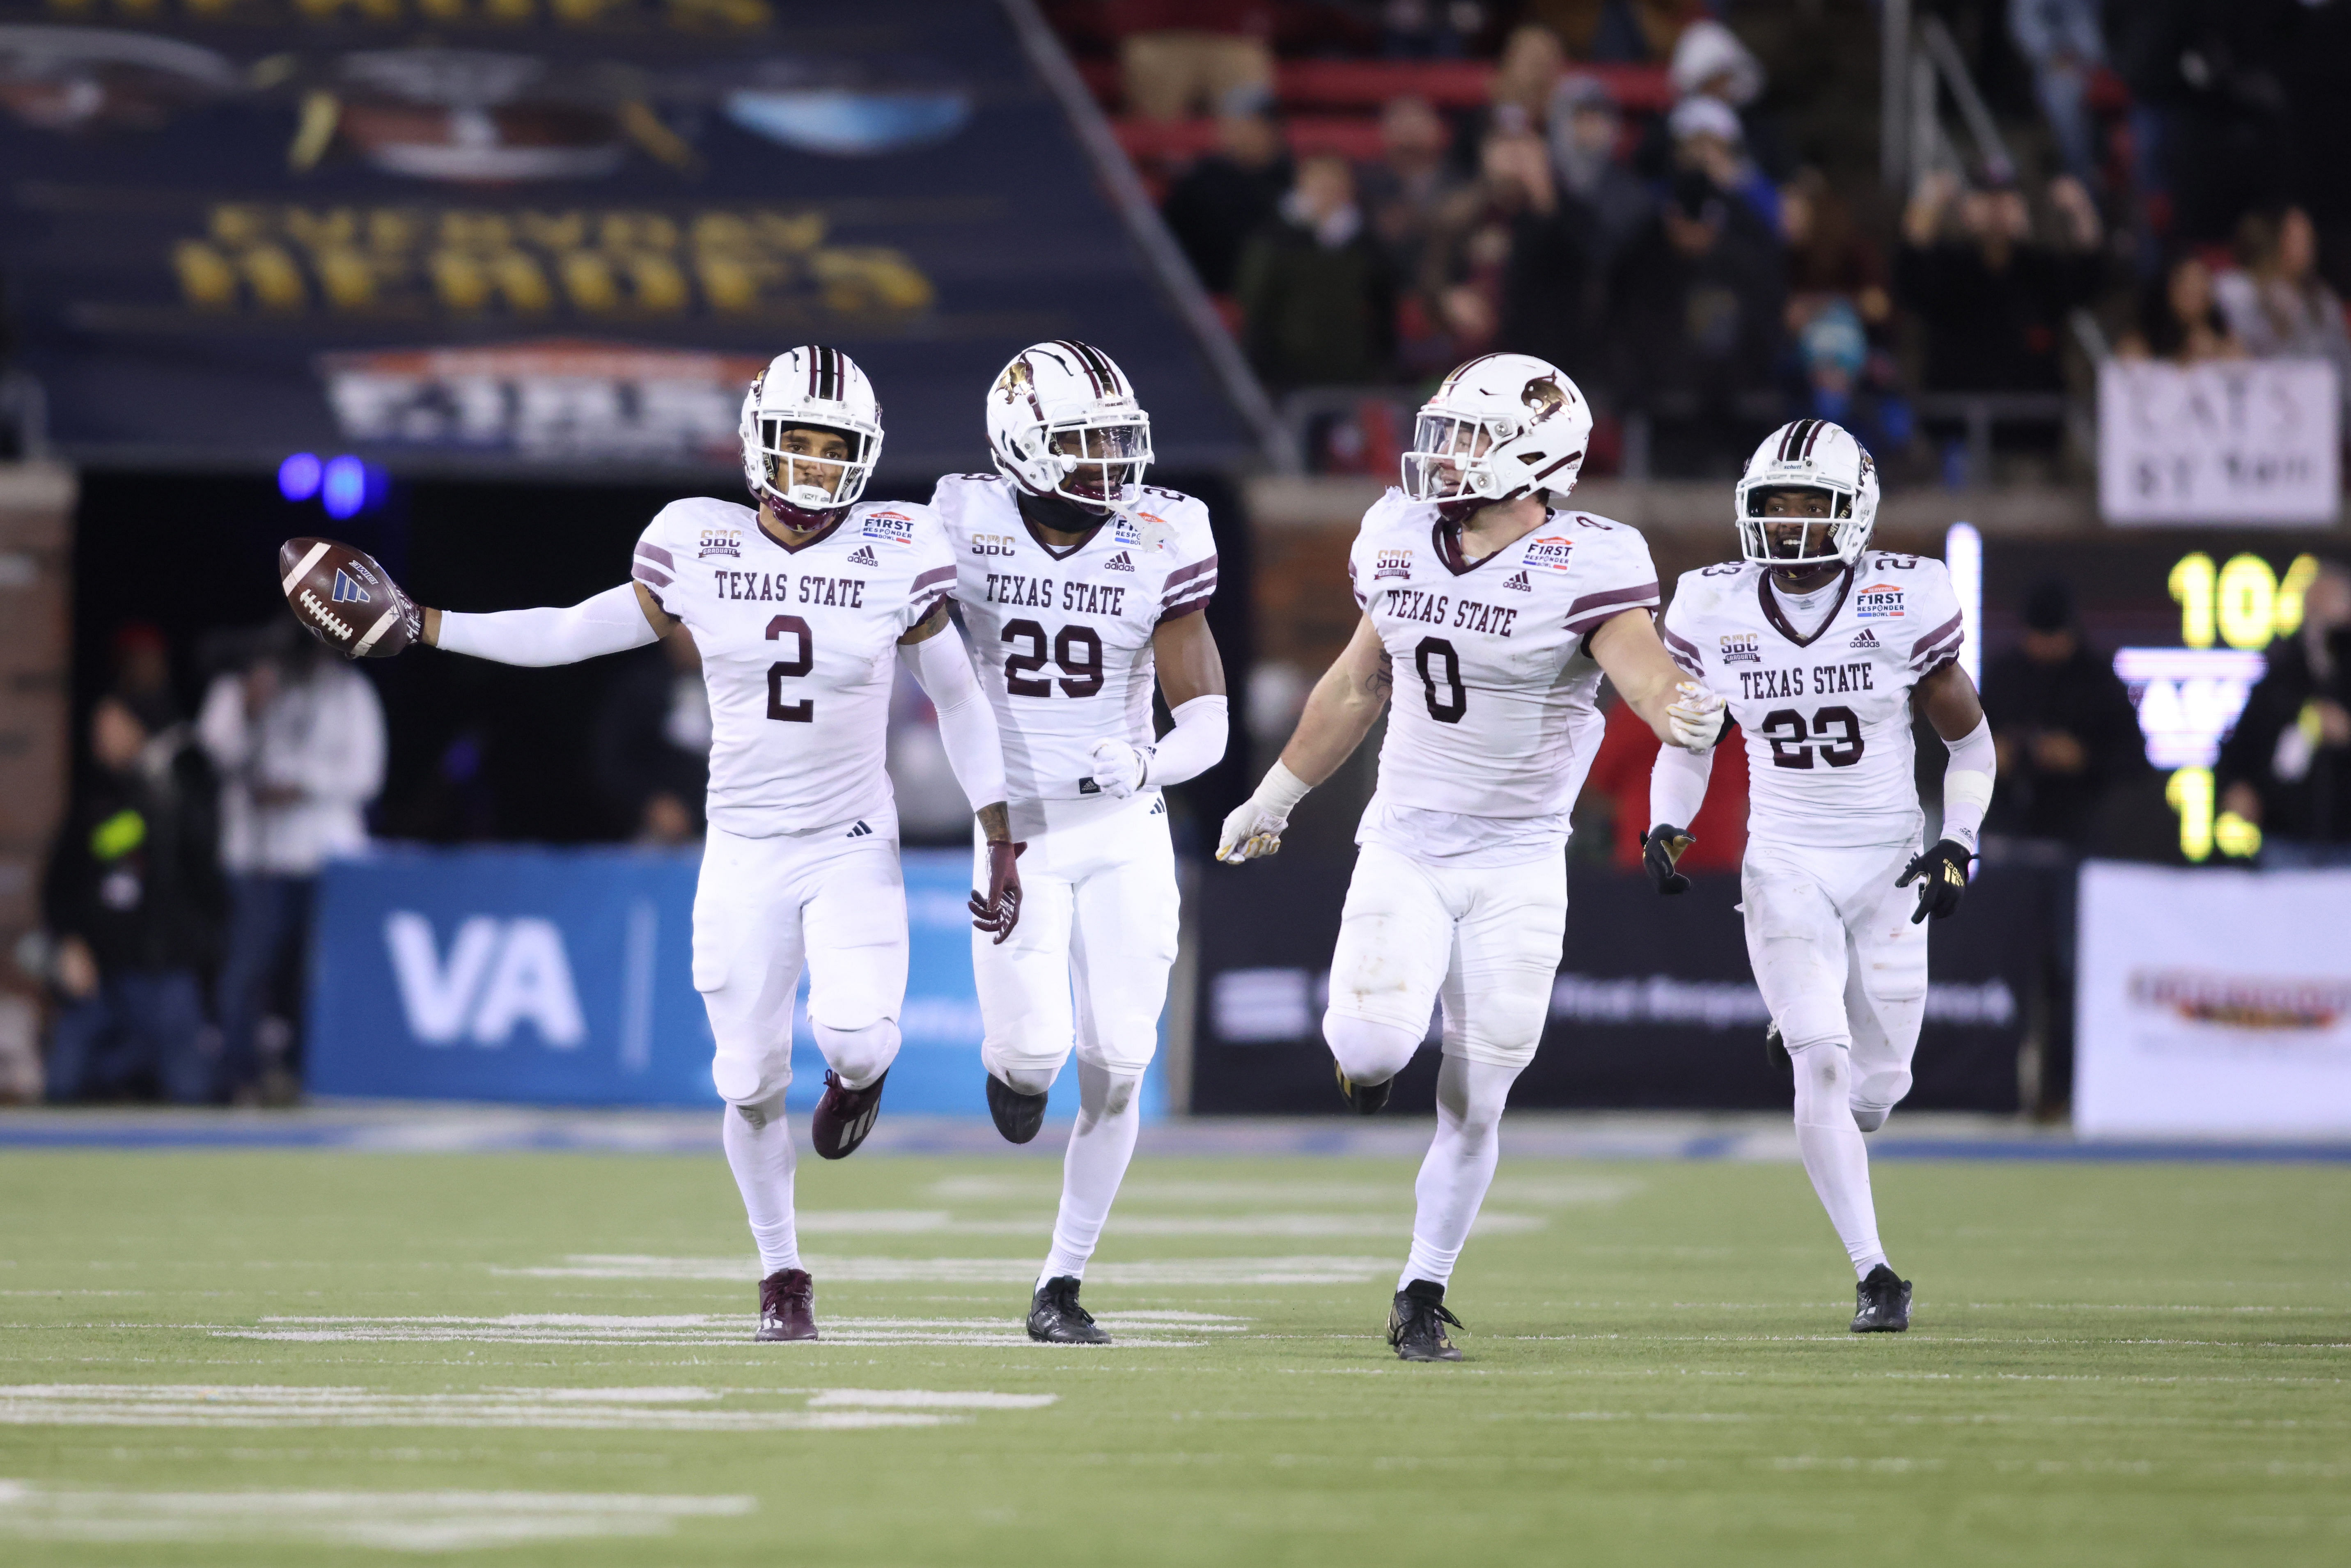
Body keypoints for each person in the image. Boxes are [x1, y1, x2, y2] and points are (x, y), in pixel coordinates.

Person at [344, 346, 1021, 1343]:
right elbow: (574, 630)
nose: (818, 469)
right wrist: (429, 624)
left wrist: (998, 828)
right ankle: (782, 1269)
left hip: (850, 837)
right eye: (802, 444)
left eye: (839, 449)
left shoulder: (898, 545)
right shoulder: (696, 542)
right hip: (744, 844)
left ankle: (859, 1082)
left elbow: (958, 696)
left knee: (860, 1038)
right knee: (746, 1080)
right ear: (758, 445)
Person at [1215, 353, 1728, 1361]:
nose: (1443, 456)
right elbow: (1357, 684)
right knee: (1369, 1049)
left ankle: (1421, 1287)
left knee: (1478, 1090)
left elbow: (1645, 676)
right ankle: (1368, 1054)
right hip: (1405, 838)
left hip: (1518, 859)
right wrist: (1275, 795)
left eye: (1470, 438)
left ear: (1539, 455)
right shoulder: (1399, 537)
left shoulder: (1591, 560)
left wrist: (1688, 715)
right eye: (1443, 431)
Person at [1644, 419, 1995, 1335]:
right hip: (1784, 860)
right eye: (1774, 506)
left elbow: (1968, 740)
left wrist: (1958, 841)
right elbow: (1689, 738)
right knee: (1824, 1063)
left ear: (1855, 512)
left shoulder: (1902, 597)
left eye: (1811, 506)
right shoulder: (1711, 606)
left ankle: (1811, 1042)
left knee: (1878, 1092)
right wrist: (1666, 820)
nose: (1791, 525)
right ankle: (1873, 1272)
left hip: (1886, 863)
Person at [934, 340, 1230, 1344]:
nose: (1108, 461)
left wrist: (1148, 763)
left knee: (1121, 1056)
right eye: (1081, 441)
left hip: (1121, 829)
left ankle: (1060, 1281)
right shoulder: (961, 522)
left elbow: (1210, 723)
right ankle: (1011, 1072)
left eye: (1116, 437)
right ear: (1019, 446)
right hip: (1015, 831)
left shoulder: (1164, 532)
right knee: (1033, 1057)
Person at [199, 619, 385, 1103]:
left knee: (319, 972)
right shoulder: (240, 689)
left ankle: (313, 1075)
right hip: (256, 857)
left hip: (325, 858)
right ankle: (238, 1076)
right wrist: (249, 705)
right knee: (248, 967)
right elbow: (214, 756)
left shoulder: (347, 691)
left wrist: (302, 786)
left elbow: (366, 773)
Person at [42, 691, 222, 1103]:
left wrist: (165, 786)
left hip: (167, 972)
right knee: (63, 1084)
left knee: (190, 1091)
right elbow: (62, 883)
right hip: (100, 971)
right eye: (98, 728)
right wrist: (70, 941)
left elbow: (203, 878)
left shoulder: (182, 789)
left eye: (113, 726)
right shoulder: (93, 802)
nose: (101, 737)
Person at [1980, 580, 2148, 848]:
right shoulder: (2002, 675)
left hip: (2077, 831)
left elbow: (2134, 761)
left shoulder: (2099, 681)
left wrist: (2082, 758)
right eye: (2038, 638)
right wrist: (1986, 755)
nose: (2045, 647)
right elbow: (1947, 749)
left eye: (2053, 638)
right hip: (2004, 830)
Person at [2217, 559, 2351, 867]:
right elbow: (2240, 748)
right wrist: (2237, 786)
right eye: (2311, 605)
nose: (2317, 617)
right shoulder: (2280, 676)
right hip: (2287, 840)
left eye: (2326, 604)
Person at [1235, 153, 1396, 390]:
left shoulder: (1366, 243)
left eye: (1334, 180)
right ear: (1302, 183)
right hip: (1283, 373)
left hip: (1352, 373)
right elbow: (1254, 301)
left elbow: (1383, 307)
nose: (1326, 188)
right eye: (1319, 179)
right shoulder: (1273, 238)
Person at [1161, 85, 1291, 296]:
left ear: (1269, 128)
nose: (1229, 133)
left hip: (1278, 302)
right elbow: (1167, 242)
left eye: (1241, 124)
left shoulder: (1296, 180)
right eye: (1227, 125)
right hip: (1210, 296)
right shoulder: (1203, 179)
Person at [2215, 207, 2351, 406]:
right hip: (2260, 407)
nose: (2309, 247)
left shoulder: (2324, 301)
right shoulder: (2237, 291)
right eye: (2299, 239)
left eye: (2310, 239)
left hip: (2319, 412)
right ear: (2273, 240)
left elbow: (2344, 365)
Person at [2117, 253, 2245, 364]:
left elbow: (2245, 372)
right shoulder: (2143, 340)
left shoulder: (2221, 335)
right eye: (2188, 284)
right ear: (2170, 289)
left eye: (2202, 281)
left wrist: (2219, 356)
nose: (2197, 290)